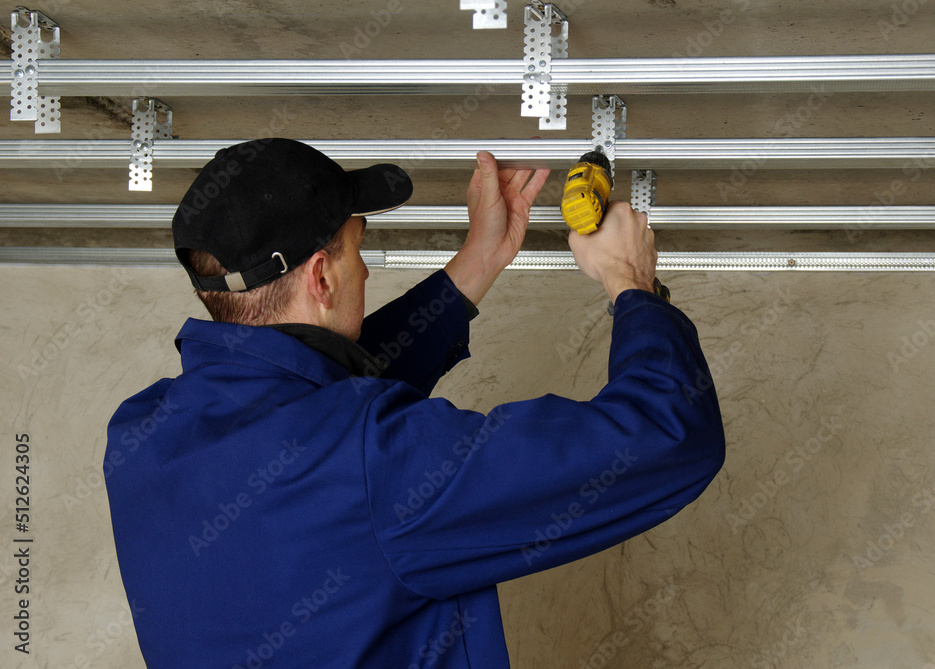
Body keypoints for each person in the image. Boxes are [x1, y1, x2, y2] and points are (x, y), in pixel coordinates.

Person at [104, 137, 725, 668]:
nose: (367, 272)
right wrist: (631, 284)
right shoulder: (371, 464)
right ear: (321, 277)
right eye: (357, 249)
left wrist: (479, 260)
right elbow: (666, 435)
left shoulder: (140, 439)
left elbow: (309, 406)